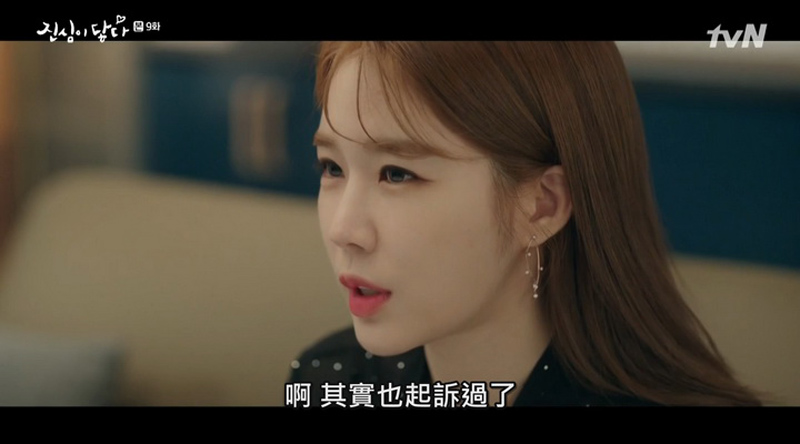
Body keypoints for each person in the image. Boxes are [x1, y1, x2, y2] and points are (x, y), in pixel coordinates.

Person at [288, 41, 762, 407]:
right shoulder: (329, 381)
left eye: (397, 174)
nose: (343, 230)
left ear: (542, 206)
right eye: (332, 167)